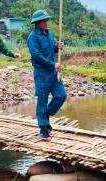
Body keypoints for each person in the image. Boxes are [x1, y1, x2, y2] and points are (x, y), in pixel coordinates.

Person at [26, 10, 66, 141]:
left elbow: (51, 48)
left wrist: (57, 47)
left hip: (54, 74)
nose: (45, 22)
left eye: (46, 20)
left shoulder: (50, 34)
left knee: (61, 96)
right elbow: (37, 56)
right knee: (42, 101)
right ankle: (44, 129)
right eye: (43, 21)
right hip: (42, 74)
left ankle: (46, 115)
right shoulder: (32, 37)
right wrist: (52, 64)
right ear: (37, 23)